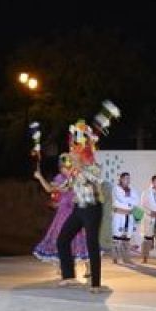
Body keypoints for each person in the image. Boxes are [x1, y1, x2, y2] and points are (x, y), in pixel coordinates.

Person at [55, 120, 108, 294]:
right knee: (63, 239)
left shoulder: (92, 166)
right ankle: (69, 276)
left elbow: (96, 180)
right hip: (79, 209)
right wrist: (50, 185)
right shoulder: (74, 171)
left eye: (74, 151)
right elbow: (65, 187)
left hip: (92, 209)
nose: (71, 153)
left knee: (91, 244)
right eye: (71, 151)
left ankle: (96, 284)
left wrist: (81, 167)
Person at [32, 157, 89, 277]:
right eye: (63, 167)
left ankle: (88, 268)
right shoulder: (60, 178)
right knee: (61, 237)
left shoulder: (75, 177)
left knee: (81, 237)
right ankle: (64, 266)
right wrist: (40, 177)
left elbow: (70, 189)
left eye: (68, 167)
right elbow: (49, 189)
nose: (66, 169)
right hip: (63, 212)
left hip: (75, 210)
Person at [111, 172, 138, 265]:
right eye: (126, 178)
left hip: (129, 216)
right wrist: (128, 204)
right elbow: (119, 201)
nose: (128, 180)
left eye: (129, 178)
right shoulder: (116, 189)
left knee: (126, 238)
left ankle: (126, 258)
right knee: (117, 237)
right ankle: (115, 257)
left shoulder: (132, 190)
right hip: (119, 216)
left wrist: (127, 204)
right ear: (121, 179)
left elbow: (135, 201)